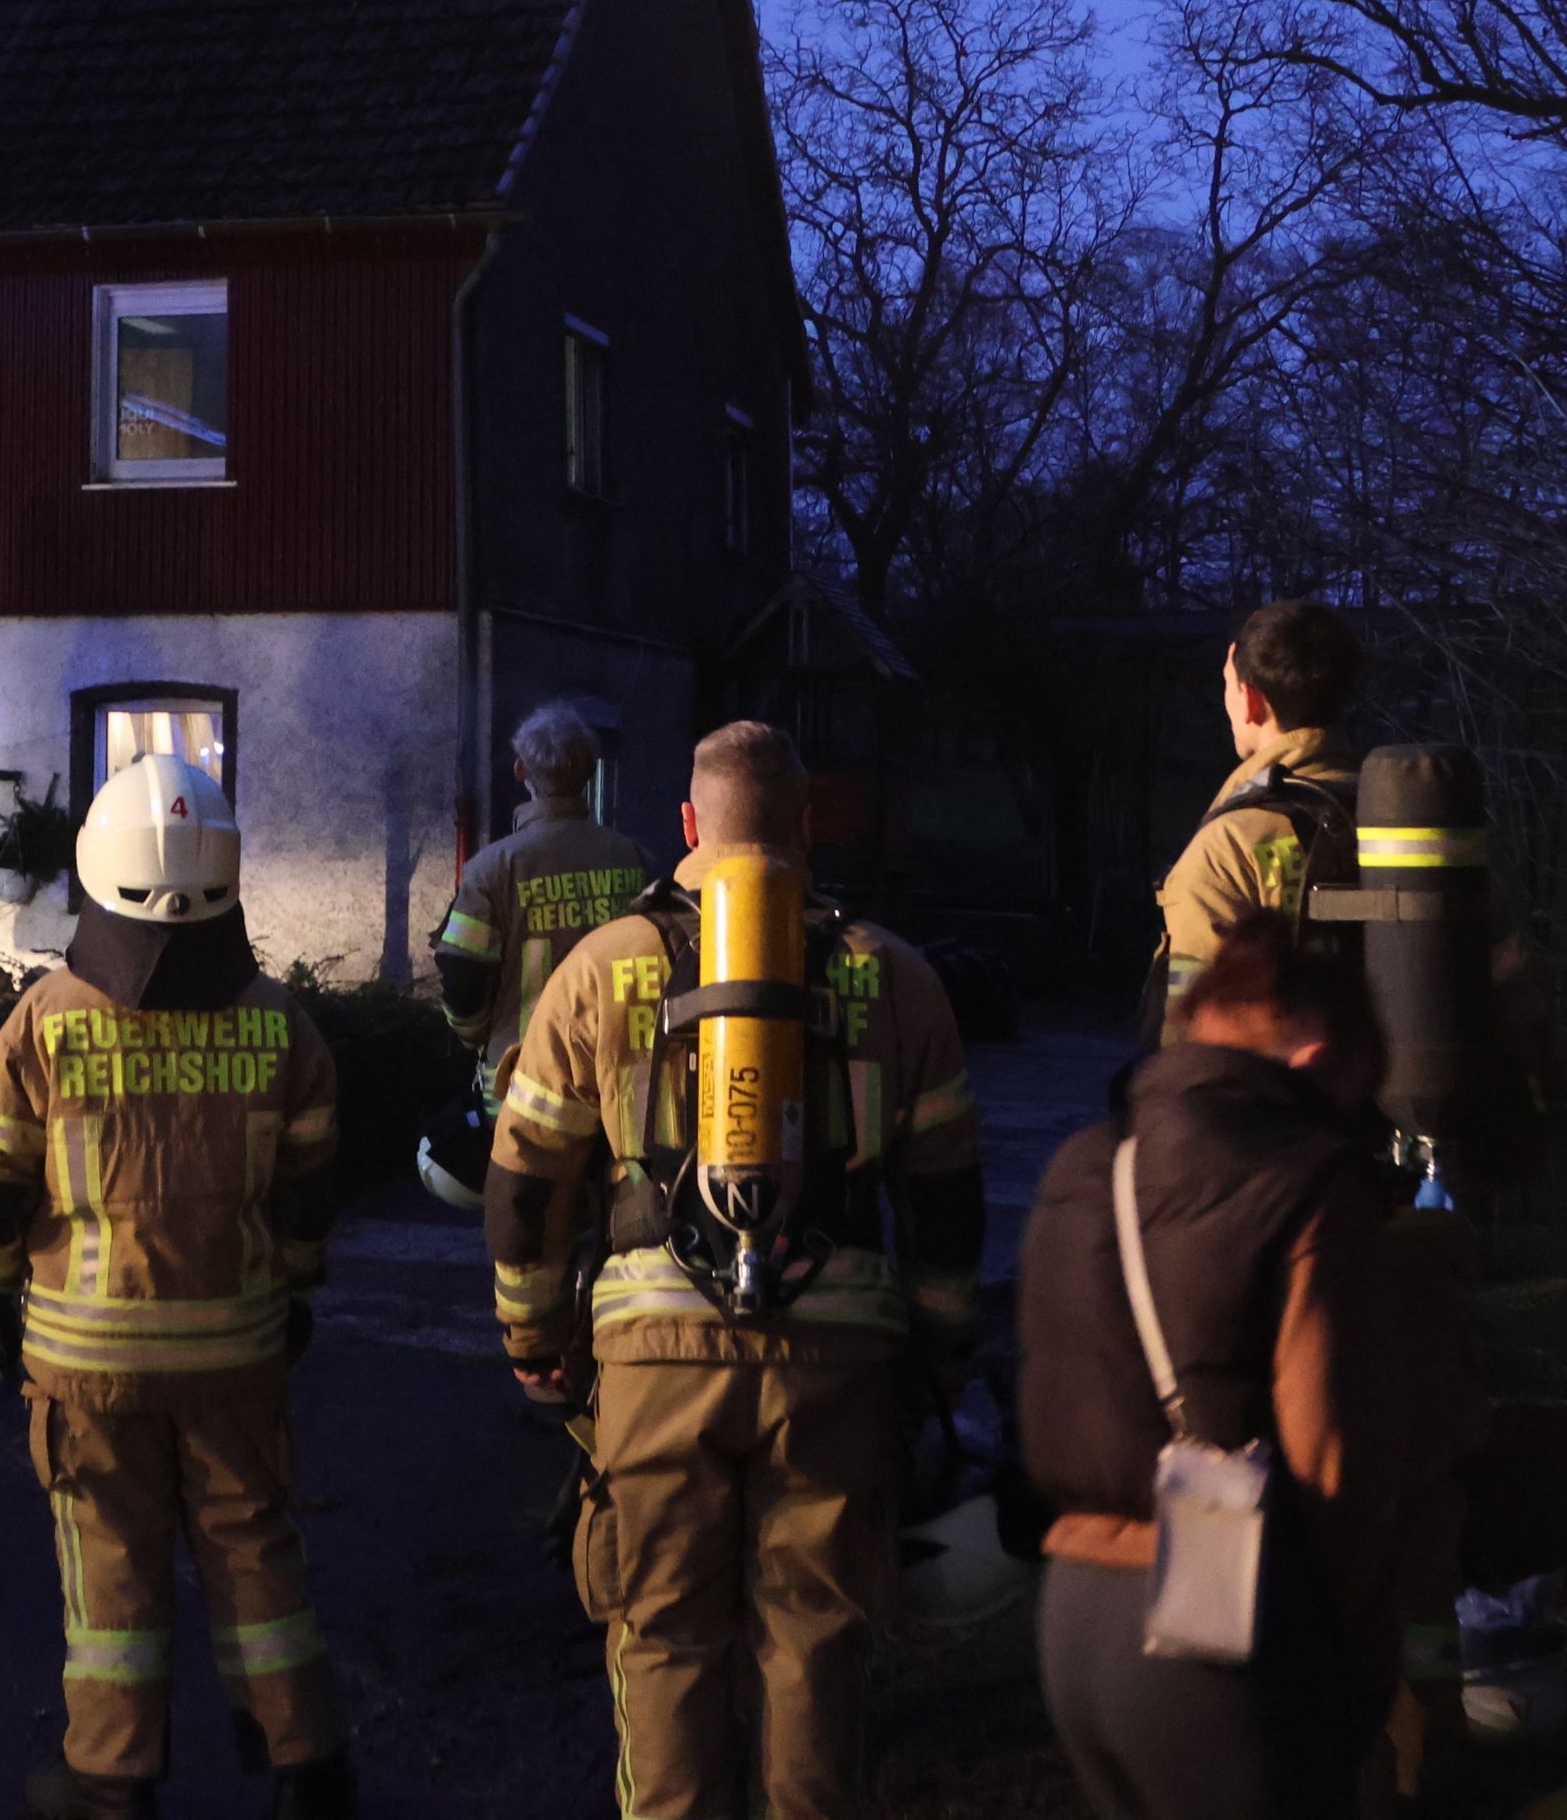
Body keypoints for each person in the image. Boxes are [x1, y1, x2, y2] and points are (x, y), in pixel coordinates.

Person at [482, 719, 985, 1820]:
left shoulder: (600, 967)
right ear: (807, 827)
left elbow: (524, 1182)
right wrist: (942, 1344)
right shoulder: (894, 975)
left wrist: (532, 1344)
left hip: (651, 1356)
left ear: (686, 825)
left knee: (660, 1630)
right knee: (817, 1635)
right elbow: (946, 1194)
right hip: (838, 1357)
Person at [0, 750, 355, 1819]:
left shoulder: (44, 1017)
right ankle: (306, 1765)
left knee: (113, 1571)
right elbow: (312, 1196)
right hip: (237, 1356)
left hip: (89, 1369)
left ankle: (112, 1784)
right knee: (255, 1549)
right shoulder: (279, 1023)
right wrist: (294, 1290)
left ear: (93, 868)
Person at [1019, 923, 1442, 1820]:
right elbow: (1336, 1463)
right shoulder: (1310, 1183)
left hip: (1071, 1619)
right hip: (1214, 1632)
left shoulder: (1085, 1165)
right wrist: (1364, 1659)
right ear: (1323, 1057)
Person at [420, 702, 650, 1203]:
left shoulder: (493, 868)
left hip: (522, 1092)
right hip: (622, 1092)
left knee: (526, 1240)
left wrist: (474, 1037)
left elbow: (461, 974)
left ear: (521, 770)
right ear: (590, 774)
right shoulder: (633, 859)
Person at [1150, 601, 1363, 1039]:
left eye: (1227, 684)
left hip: (1277, 1104)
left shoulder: (1227, 849)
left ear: (1250, 700)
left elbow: (1195, 1048)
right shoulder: (1411, 825)